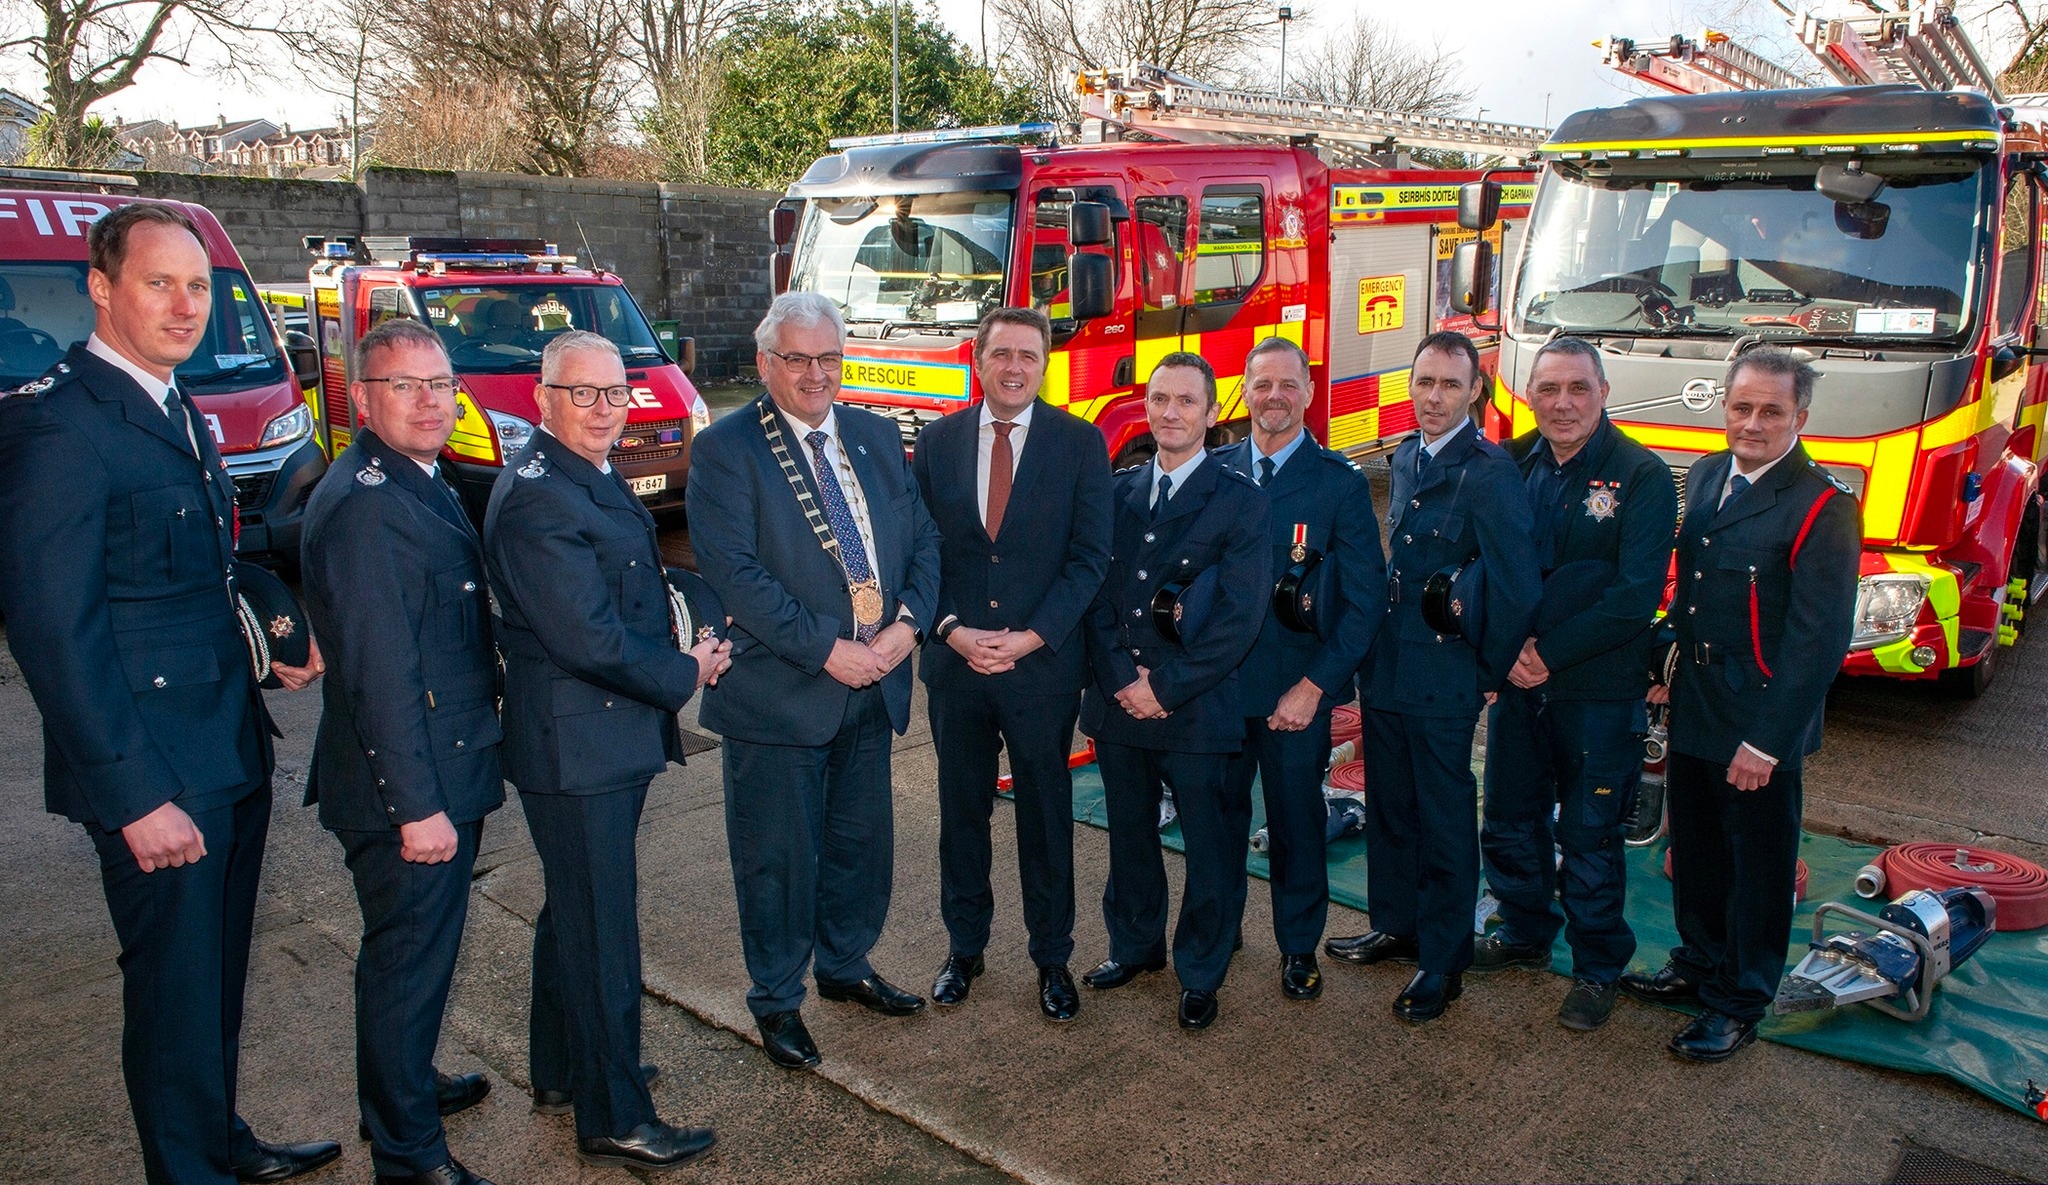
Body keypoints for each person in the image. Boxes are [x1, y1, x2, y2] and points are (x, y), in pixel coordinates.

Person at [0, 201, 334, 1185]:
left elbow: (195, 565)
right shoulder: (59, 426)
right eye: (160, 283)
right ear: (101, 289)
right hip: (156, 768)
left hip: (224, 742)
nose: (186, 305)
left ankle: (215, 1140)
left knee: (215, 981)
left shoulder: (172, 402)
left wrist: (273, 620)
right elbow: (55, 633)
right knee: (172, 992)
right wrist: (133, 796)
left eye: (199, 286)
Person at [484, 330, 727, 1171]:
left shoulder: (581, 472)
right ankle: (616, 1113)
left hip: (596, 737)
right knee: (601, 934)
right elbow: (586, 636)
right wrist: (683, 670)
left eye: (616, 393)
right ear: (543, 397)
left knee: (572, 915)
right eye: (583, 394)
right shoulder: (541, 493)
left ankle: (566, 1068)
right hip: (578, 746)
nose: (603, 410)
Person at [687, 292, 941, 1070]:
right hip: (783, 695)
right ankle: (776, 998)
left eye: (827, 358)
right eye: (795, 358)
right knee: (777, 861)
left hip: (875, 682)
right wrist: (828, 650)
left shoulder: (869, 433)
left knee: (859, 848)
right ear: (765, 363)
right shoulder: (726, 450)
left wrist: (908, 626)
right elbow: (738, 578)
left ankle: (845, 964)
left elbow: (922, 538)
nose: (813, 374)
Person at [300, 319, 504, 1185]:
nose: (430, 401)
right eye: (404, 386)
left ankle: (403, 1084)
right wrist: (417, 806)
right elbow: (381, 674)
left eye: (440, 383)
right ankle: (408, 1153)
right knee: (405, 967)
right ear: (363, 399)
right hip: (407, 789)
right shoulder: (365, 506)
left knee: (418, 961)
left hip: (441, 763)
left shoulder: (417, 478)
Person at [1622, 348, 1858, 1062]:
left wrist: (1769, 740)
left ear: (1800, 417)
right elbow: (1694, 591)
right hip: (1697, 705)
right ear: (1723, 407)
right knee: (1694, 852)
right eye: (1741, 407)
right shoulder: (1709, 474)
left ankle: (1739, 1000)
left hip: (1758, 724)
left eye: (1771, 411)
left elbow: (1819, 641)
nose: (1752, 423)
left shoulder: (1824, 505)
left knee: (1756, 868)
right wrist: (1665, 656)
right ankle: (1698, 963)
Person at [1324, 331, 1539, 1023]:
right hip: (1389, 665)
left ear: (1475, 389)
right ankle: (1398, 924)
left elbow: (1515, 587)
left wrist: (1486, 671)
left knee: (1444, 819)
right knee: (1391, 806)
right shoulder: (1410, 455)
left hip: (1447, 675)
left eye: (1449, 384)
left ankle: (1443, 962)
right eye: (1424, 382)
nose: (1434, 397)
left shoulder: (1490, 471)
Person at [911, 307, 1112, 1021]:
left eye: (1029, 355)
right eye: (1002, 354)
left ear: (1045, 363)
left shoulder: (1082, 444)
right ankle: (964, 948)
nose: (1015, 367)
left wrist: (1032, 637)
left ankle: (1051, 957)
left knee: (1046, 816)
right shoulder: (935, 443)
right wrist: (952, 630)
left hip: (1040, 669)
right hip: (957, 665)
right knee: (961, 812)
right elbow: (920, 552)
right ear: (979, 359)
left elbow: (1091, 560)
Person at [1473, 337, 1678, 1031]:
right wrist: (1504, 656)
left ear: (1604, 392)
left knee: (1589, 834)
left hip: (1595, 691)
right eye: (1548, 388)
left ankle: (1596, 969)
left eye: (1578, 389)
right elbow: (1484, 569)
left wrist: (1547, 655)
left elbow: (1633, 596)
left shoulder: (1642, 476)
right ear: (1529, 393)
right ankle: (1526, 932)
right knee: (1508, 817)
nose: (1562, 403)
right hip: (1519, 687)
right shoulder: (1508, 462)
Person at [1078, 352, 1269, 1031]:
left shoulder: (1241, 500)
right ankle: (1135, 946)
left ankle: (1200, 970)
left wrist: (1165, 686)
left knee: (1210, 847)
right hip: (1119, 701)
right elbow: (1094, 593)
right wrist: (1123, 680)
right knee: (1128, 833)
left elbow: (1238, 618)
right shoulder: (1117, 490)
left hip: (1195, 707)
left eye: (1187, 400)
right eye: (1160, 399)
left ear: (1213, 413)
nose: (1171, 412)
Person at [1213, 338, 1384, 1002]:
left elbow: (1365, 600)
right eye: (1262, 384)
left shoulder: (1339, 484)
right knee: (1219, 819)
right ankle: (1219, 930)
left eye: (1289, 384)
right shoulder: (1218, 469)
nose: (1275, 396)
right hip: (1221, 691)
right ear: (1246, 391)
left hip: (1294, 695)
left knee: (1295, 825)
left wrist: (1314, 687)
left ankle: (1297, 948)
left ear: (1309, 392)